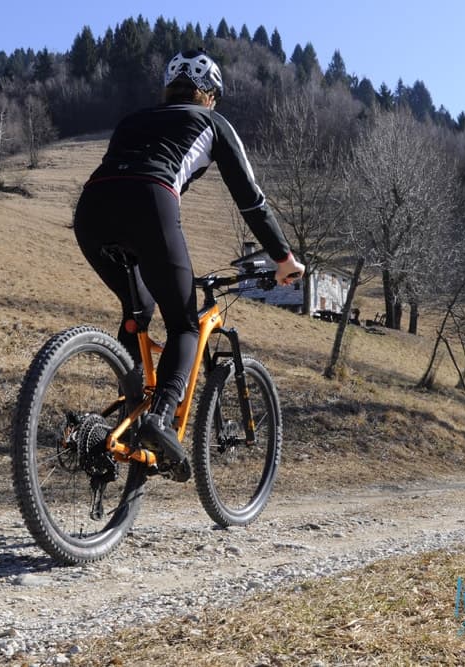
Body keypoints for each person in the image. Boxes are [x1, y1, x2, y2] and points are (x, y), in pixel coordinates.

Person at [72, 48, 304, 481]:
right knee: (183, 324)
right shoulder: (213, 123)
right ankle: (159, 419)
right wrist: (283, 258)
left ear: (168, 89)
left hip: (90, 212)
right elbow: (251, 200)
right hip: (149, 203)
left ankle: (127, 416)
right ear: (211, 95)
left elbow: (124, 173)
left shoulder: (132, 120)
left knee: (138, 312)